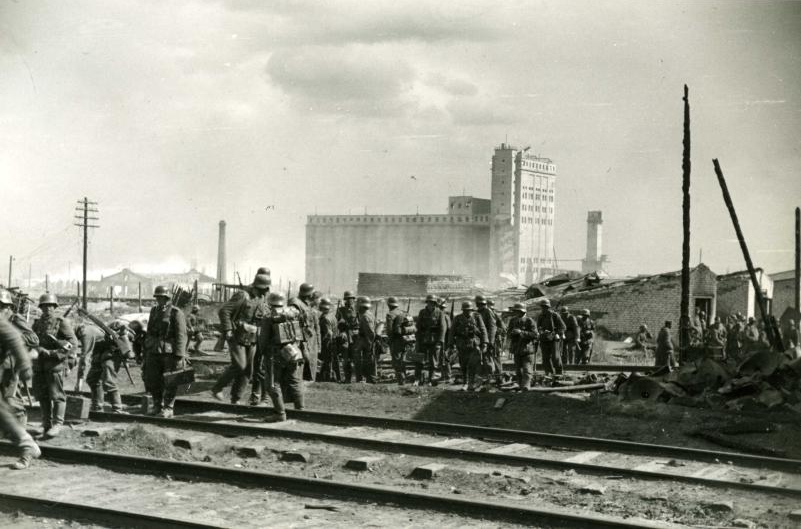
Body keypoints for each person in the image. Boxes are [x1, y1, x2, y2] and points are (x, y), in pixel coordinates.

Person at [213, 273, 270, 406]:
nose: (263, 292)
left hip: (252, 337)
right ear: (255, 286)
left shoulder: (262, 298)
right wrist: (227, 330)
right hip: (236, 335)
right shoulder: (242, 295)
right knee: (240, 365)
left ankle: (236, 399)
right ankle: (217, 388)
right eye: (261, 289)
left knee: (248, 370)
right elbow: (224, 311)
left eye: (265, 290)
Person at [32, 293, 78, 438]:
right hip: (39, 364)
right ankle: (46, 423)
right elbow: (32, 341)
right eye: (44, 306)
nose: (47, 309)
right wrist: (40, 350)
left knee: (57, 395)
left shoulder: (61, 322)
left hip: (55, 363)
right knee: (42, 395)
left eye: (50, 306)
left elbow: (73, 343)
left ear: (54, 307)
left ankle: (58, 423)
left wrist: (56, 354)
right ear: (41, 308)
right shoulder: (37, 323)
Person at [0, 317, 41, 469]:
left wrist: (25, 365)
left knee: (7, 409)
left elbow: (14, 337)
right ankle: (27, 444)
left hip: (6, 370)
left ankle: (27, 445)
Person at [258, 293, 304, 422]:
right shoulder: (293, 313)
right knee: (294, 381)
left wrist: (262, 353)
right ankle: (300, 410)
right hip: (293, 351)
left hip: (275, 354)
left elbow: (263, 339)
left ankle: (280, 413)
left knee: (272, 384)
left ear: (269, 303)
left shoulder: (268, 317)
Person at [143, 285, 187, 418]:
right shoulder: (154, 310)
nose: (159, 300)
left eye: (162, 297)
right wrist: (146, 348)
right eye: (157, 297)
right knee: (153, 379)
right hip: (154, 350)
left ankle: (168, 408)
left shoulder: (176, 312)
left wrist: (179, 354)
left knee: (170, 380)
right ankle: (157, 405)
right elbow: (150, 330)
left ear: (167, 298)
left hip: (169, 352)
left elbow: (181, 334)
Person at [0, 290, 38, 428]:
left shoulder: (15, 319)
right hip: (2, 364)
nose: (1, 309)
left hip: (10, 365)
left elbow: (34, 339)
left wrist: (12, 339)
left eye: (2, 306)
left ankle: (21, 427)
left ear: (9, 307)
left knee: (11, 400)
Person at [76, 323, 133, 413]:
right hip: (100, 353)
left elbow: (85, 356)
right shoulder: (84, 330)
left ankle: (117, 408)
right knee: (92, 379)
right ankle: (97, 406)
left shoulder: (86, 333)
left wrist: (79, 380)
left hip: (111, 353)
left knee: (109, 381)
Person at [449, 301, 488, 391]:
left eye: (469, 310)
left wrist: (485, 342)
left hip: (474, 344)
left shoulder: (477, 317)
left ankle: (471, 382)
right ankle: (465, 383)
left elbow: (483, 330)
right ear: (463, 310)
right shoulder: (457, 318)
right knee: (463, 364)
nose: (468, 312)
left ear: (472, 310)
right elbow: (452, 331)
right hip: (462, 344)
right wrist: (450, 344)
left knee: (472, 364)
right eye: (465, 310)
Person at [290, 283, 320, 382]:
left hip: (308, 340)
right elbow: (293, 324)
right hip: (300, 341)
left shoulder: (306, 304)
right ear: (309, 294)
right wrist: (300, 342)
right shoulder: (296, 303)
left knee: (309, 366)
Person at [415, 294, 447, 385]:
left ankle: (430, 379)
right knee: (419, 359)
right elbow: (418, 326)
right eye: (429, 302)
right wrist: (417, 339)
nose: (430, 304)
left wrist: (440, 341)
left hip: (434, 340)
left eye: (432, 303)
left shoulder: (440, 313)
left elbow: (442, 328)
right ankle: (417, 379)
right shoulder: (422, 312)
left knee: (433, 361)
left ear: (435, 303)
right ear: (427, 303)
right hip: (423, 339)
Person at [507, 303, 538, 390]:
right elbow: (508, 333)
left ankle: (526, 386)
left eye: (518, 311)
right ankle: (520, 385)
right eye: (516, 311)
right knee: (518, 370)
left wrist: (521, 332)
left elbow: (535, 335)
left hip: (527, 349)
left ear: (523, 311)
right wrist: (512, 333)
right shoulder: (512, 321)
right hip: (517, 349)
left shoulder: (530, 321)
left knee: (527, 369)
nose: (517, 313)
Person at [335, 291, 359, 383]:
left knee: (355, 358)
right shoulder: (340, 310)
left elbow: (360, 323)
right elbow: (336, 323)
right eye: (348, 299)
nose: (350, 300)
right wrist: (341, 324)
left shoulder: (357, 310)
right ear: (345, 300)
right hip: (345, 336)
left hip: (354, 336)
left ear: (353, 299)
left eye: (351, 298)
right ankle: (347, 379)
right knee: (345, 358)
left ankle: (357, 379)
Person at [536, 299, 565, 375]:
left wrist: (555, 334)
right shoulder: (540, 316)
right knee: (545, 358)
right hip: (544, 339)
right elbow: (538, 327)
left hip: (553, 339)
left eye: (545, 307)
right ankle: (549, 373)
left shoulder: (555, 315)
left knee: (555, 357)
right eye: (542, 307)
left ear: (548, 307)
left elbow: (563, 327)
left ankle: (559, 373)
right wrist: (541, 331)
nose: (544, 308)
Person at [474, 296, 497, 385]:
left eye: (481, 304)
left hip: (487, 339)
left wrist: (490, 341)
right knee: (480, 358)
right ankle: (482, 377)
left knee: (487, 359)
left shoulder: (488, 311)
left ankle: (490, 377)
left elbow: (492, 327)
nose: (480, 305)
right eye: (479, 304)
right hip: (480, 339)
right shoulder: (477, 313)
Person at [354, 297, 376, 383]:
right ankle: (368, 379)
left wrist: (369, 344)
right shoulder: (369, 314)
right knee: (368, 361)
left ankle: (366, 379)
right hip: (366, 341)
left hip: (366, 342)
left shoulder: (365, 316)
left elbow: (370, 332)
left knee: (364, 361)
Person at [318, 298, 340, 382]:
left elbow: (329, 333)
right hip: (334, 341)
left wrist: (324, 343)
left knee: (328, 360)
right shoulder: (332, 316)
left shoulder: (325, 318)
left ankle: (327, 378)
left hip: (328, 342)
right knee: (332, 360)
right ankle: (332, 377)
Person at [385, 297, 405, 385]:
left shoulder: (390, 314)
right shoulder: (402, 312)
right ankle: (403, 378)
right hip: (405, 340)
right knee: (402, 359)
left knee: (396, 360)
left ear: (389, 305)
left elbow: (389, 330)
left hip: (396, 340)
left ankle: (400, 380)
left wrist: (389, 340)